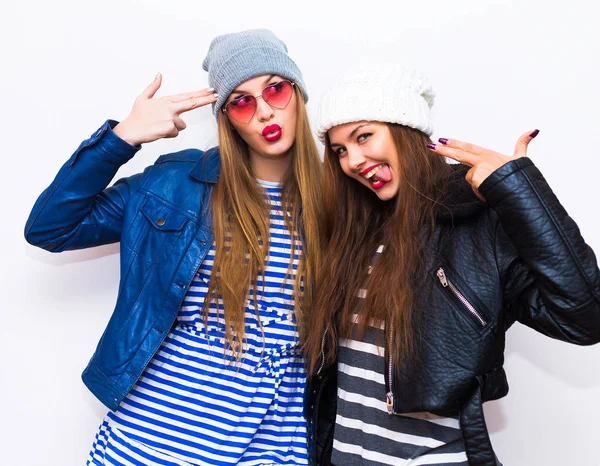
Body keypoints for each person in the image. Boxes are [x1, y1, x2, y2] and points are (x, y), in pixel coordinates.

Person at [25, 29, 323, 466]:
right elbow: (50, 229)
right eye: (241, 101)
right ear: (227, 117)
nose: (263, 112)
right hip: (151, 440)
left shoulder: (343, 199)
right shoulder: (177, 182)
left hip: (274, 447)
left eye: (274, 90)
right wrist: (122, 139)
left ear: (297, 94)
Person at [303, 64, 600, 466]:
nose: (353, 160)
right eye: (340, 150)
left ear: (405, 131)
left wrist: (518, 192)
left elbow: (586, 318)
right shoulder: (354, 235)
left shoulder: (476, 223)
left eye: (364, 137)